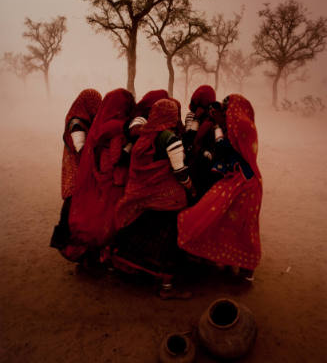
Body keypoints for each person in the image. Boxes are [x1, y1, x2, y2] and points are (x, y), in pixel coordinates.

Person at [113, 98, 195, 298]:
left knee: (143, 236)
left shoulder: (142, 137)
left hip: (143, 197)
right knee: (169, 243)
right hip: (168, 201)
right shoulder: (171, 139)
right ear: (172, 116)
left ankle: (136, 272)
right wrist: (191, 188)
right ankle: (167, 287)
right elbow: (180, 172)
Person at [177, 94, 263, 282]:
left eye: (225, 108)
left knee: (224, 218)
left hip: (242, 180)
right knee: (238, 224)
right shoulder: (244, 122)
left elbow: (223, 148)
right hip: (244, 178)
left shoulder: (237, 123)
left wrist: (217, 127)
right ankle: (240, 267)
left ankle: (242, 266)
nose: (223, 112)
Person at [61, 88, 135, 264]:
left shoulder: (96, 124)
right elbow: (82, 151)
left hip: (89, 171)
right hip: (81, 171)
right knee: (82, 211)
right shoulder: (78, 124)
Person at [50, 88, 102, 252]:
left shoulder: (82, 120)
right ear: (88, 104)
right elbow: (81, 150)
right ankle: (65, 242)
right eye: (95, 104)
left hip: (80, 168)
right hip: (77, 169)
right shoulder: (77, 124)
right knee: (72, 204)